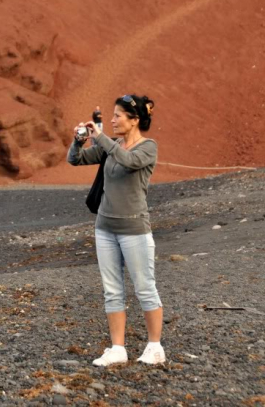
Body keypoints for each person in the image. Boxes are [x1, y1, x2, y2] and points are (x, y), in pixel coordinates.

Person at [67, 94, 165, 366]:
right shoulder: (112, 145)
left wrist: (101, 138)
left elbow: (128, 161)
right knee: (112, 290)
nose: (111, 120)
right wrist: (78, 142)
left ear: (134, 120)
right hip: (105, 228)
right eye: (111, 115)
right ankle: (117, 348)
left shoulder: (148, 147)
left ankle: (155, 347)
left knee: (144, 288)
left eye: (118, 116)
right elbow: (75, 160)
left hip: (134, 229)